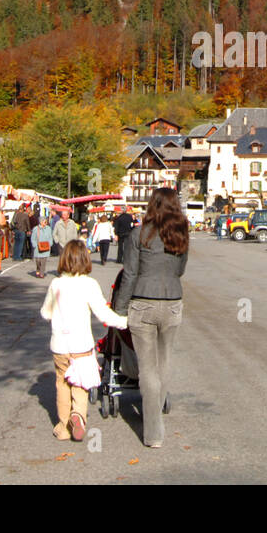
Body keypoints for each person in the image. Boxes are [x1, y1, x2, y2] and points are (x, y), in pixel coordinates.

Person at [113, 187, 188, 449]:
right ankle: (155, 411)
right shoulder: (181, 233)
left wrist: (119, 310)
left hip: (143, 302)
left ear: (151, 204)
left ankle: (153, 432)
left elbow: (129, 274)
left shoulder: (139, 233)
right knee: (165, 361)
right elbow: (180, 270)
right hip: (172, 300)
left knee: (147, 367)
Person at [40, 240, 127, 442]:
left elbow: (46, 312)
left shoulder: (56, 284)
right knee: (80, 385)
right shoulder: (90, 284)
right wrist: (124, 322)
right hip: (82, 346)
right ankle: (78, 416)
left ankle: (63, 427)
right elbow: (103, 314)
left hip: (60, 345)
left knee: (62, 384)